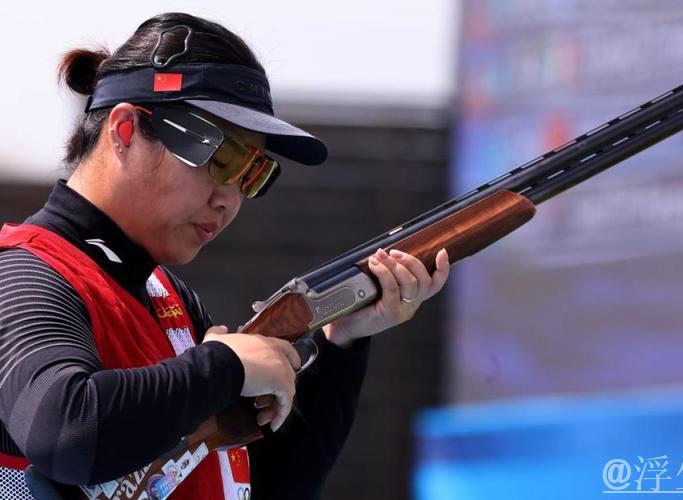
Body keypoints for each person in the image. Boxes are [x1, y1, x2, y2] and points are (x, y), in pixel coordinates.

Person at [0, 12, 450, 500]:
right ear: (125, 129)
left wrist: (341, 344)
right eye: (220, 158)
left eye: (252, 174)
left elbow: (263, 488)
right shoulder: (23, 273)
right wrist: (224, 368)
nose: (229, 199)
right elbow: (65, 431)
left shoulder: (165, 295)